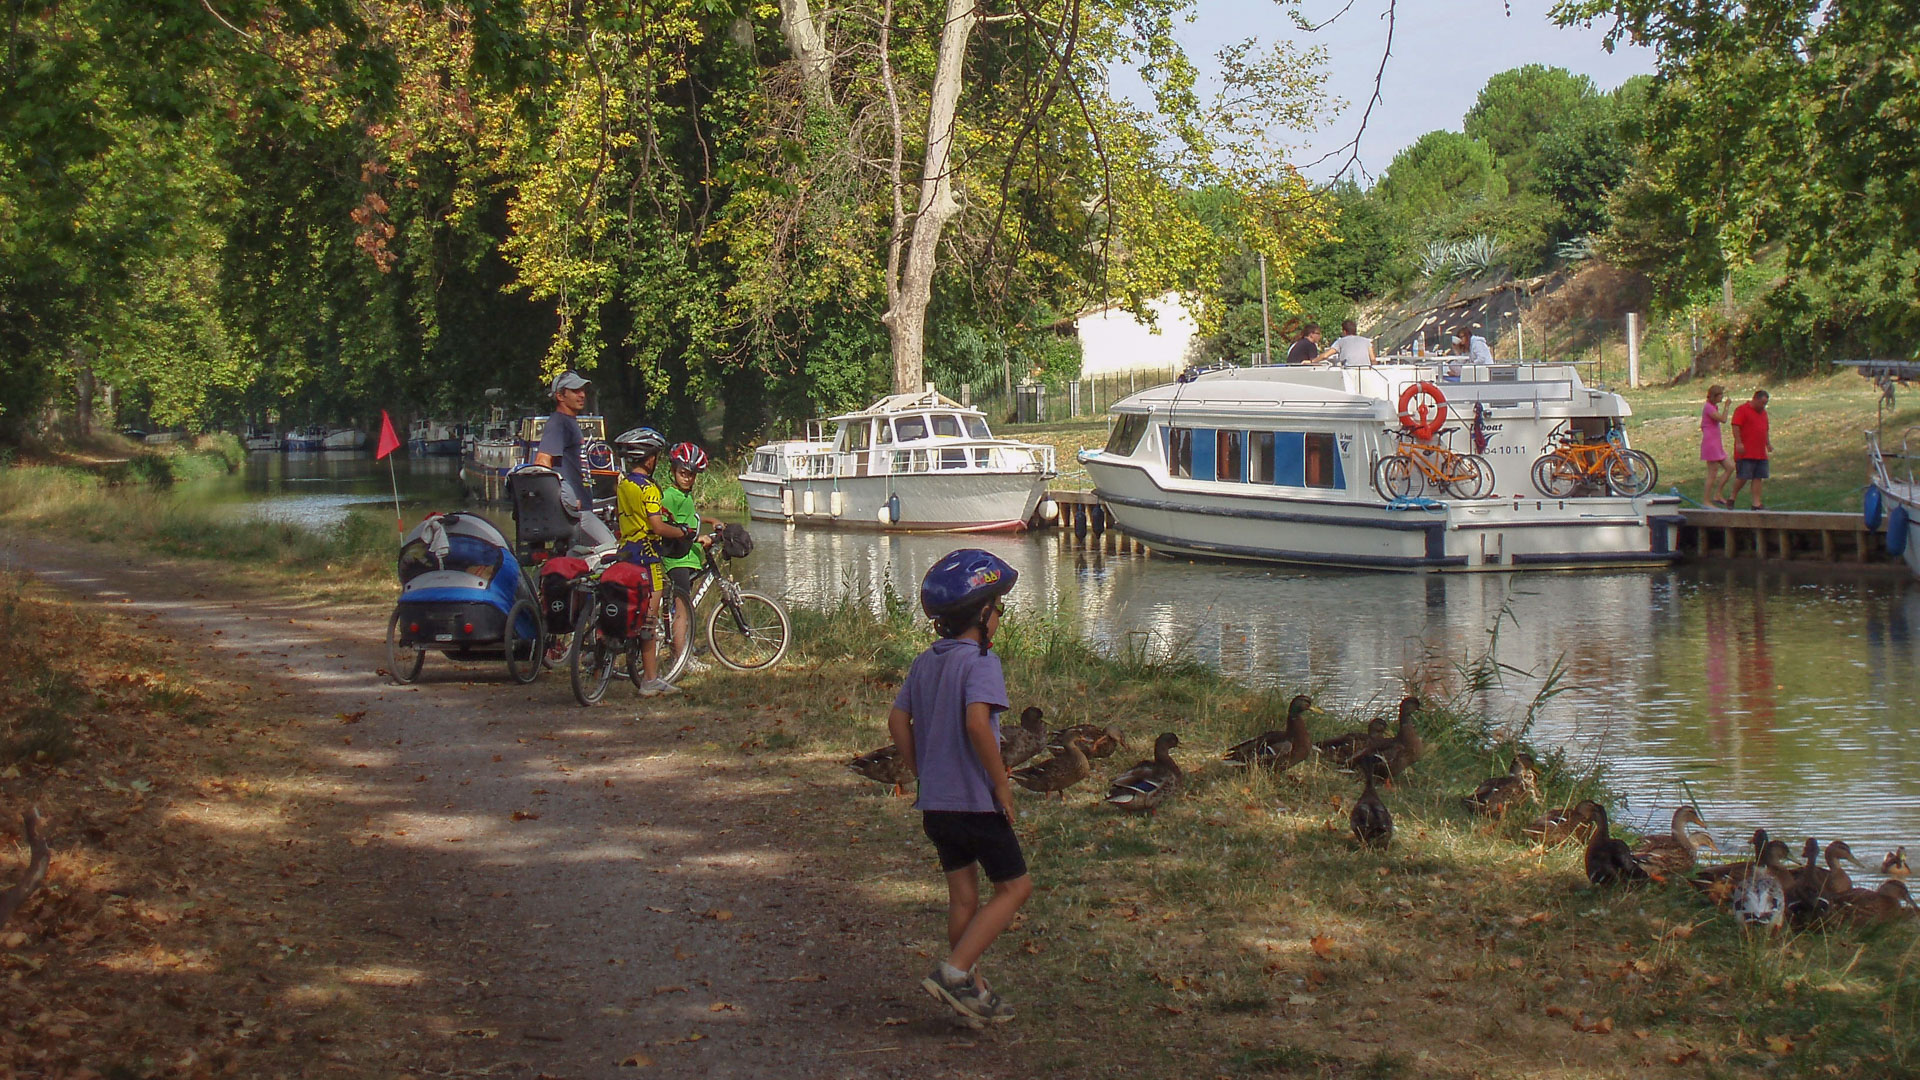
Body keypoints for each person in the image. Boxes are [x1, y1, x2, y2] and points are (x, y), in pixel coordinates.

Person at [885, 549, 1030, 1026]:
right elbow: (976, 724)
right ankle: (954, 971)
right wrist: (1001, 784)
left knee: (963, 898)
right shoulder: (983, 661)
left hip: (937, 806)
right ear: (983, 615)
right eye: (1000, 610)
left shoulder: (926, 663)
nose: (1002, 619)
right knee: (1014, 887)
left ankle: (975, 992)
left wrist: (922, 768)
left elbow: (897, 719)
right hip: (975, 804)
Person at [611, 427, 700, 696]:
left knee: (626, 605)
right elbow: (658, 527)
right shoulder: (649, 489)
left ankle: (601, 665)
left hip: (624, 551)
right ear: (649, 459)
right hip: (647, 556)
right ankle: (650, 679)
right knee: (649, 617)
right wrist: (684, 532)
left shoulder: (624, 483)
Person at [660, 442, 727, 674]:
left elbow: (688, 517)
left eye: (692, 475)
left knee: (685, 609)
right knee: (683, 610)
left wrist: (709, 521)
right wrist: (700, 539)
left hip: (687, 558)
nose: (688, 478)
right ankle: (681, 661)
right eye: (683, 473)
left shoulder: (683, 495)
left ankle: (681, 650)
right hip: (677, 559)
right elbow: (666, 525)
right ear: (673, 471)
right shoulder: (669, 496)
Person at [533, 371, 617, 553]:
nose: (582, 395)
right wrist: (562, 501)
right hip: (577, 513)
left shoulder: (569, 422)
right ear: (560, 396)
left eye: (582, 390)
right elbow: (542, 462)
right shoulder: (558, 423)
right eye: (575, 391)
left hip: (583, 509)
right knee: (610, 551)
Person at [1727, 389, 1772, 510]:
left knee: (1758, 477)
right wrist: (1739, 443)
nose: (1763, 406)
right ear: (1755, 399)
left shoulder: (1764, 413)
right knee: (1743, 476)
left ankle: (1756, 503)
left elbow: (1765, 429)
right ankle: (1732, 497)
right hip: (1746, 451)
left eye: (1765, 404)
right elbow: (1736, 426)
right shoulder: (1742, 410)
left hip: (1760, 452)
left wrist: (1768, 444)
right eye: (1762, 403)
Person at [1700, 384, 1732, 508]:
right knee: (1712, 473)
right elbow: (1723, 419)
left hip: (1717, 443)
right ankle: (1706, 501)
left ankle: (1718, 493)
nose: (1722, 398)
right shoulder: (1708, 407)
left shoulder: (1713, 406)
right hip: (1710, 444)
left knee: (1730, 467)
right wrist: (1727, 407)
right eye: (1720, 395)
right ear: (1714, 396)